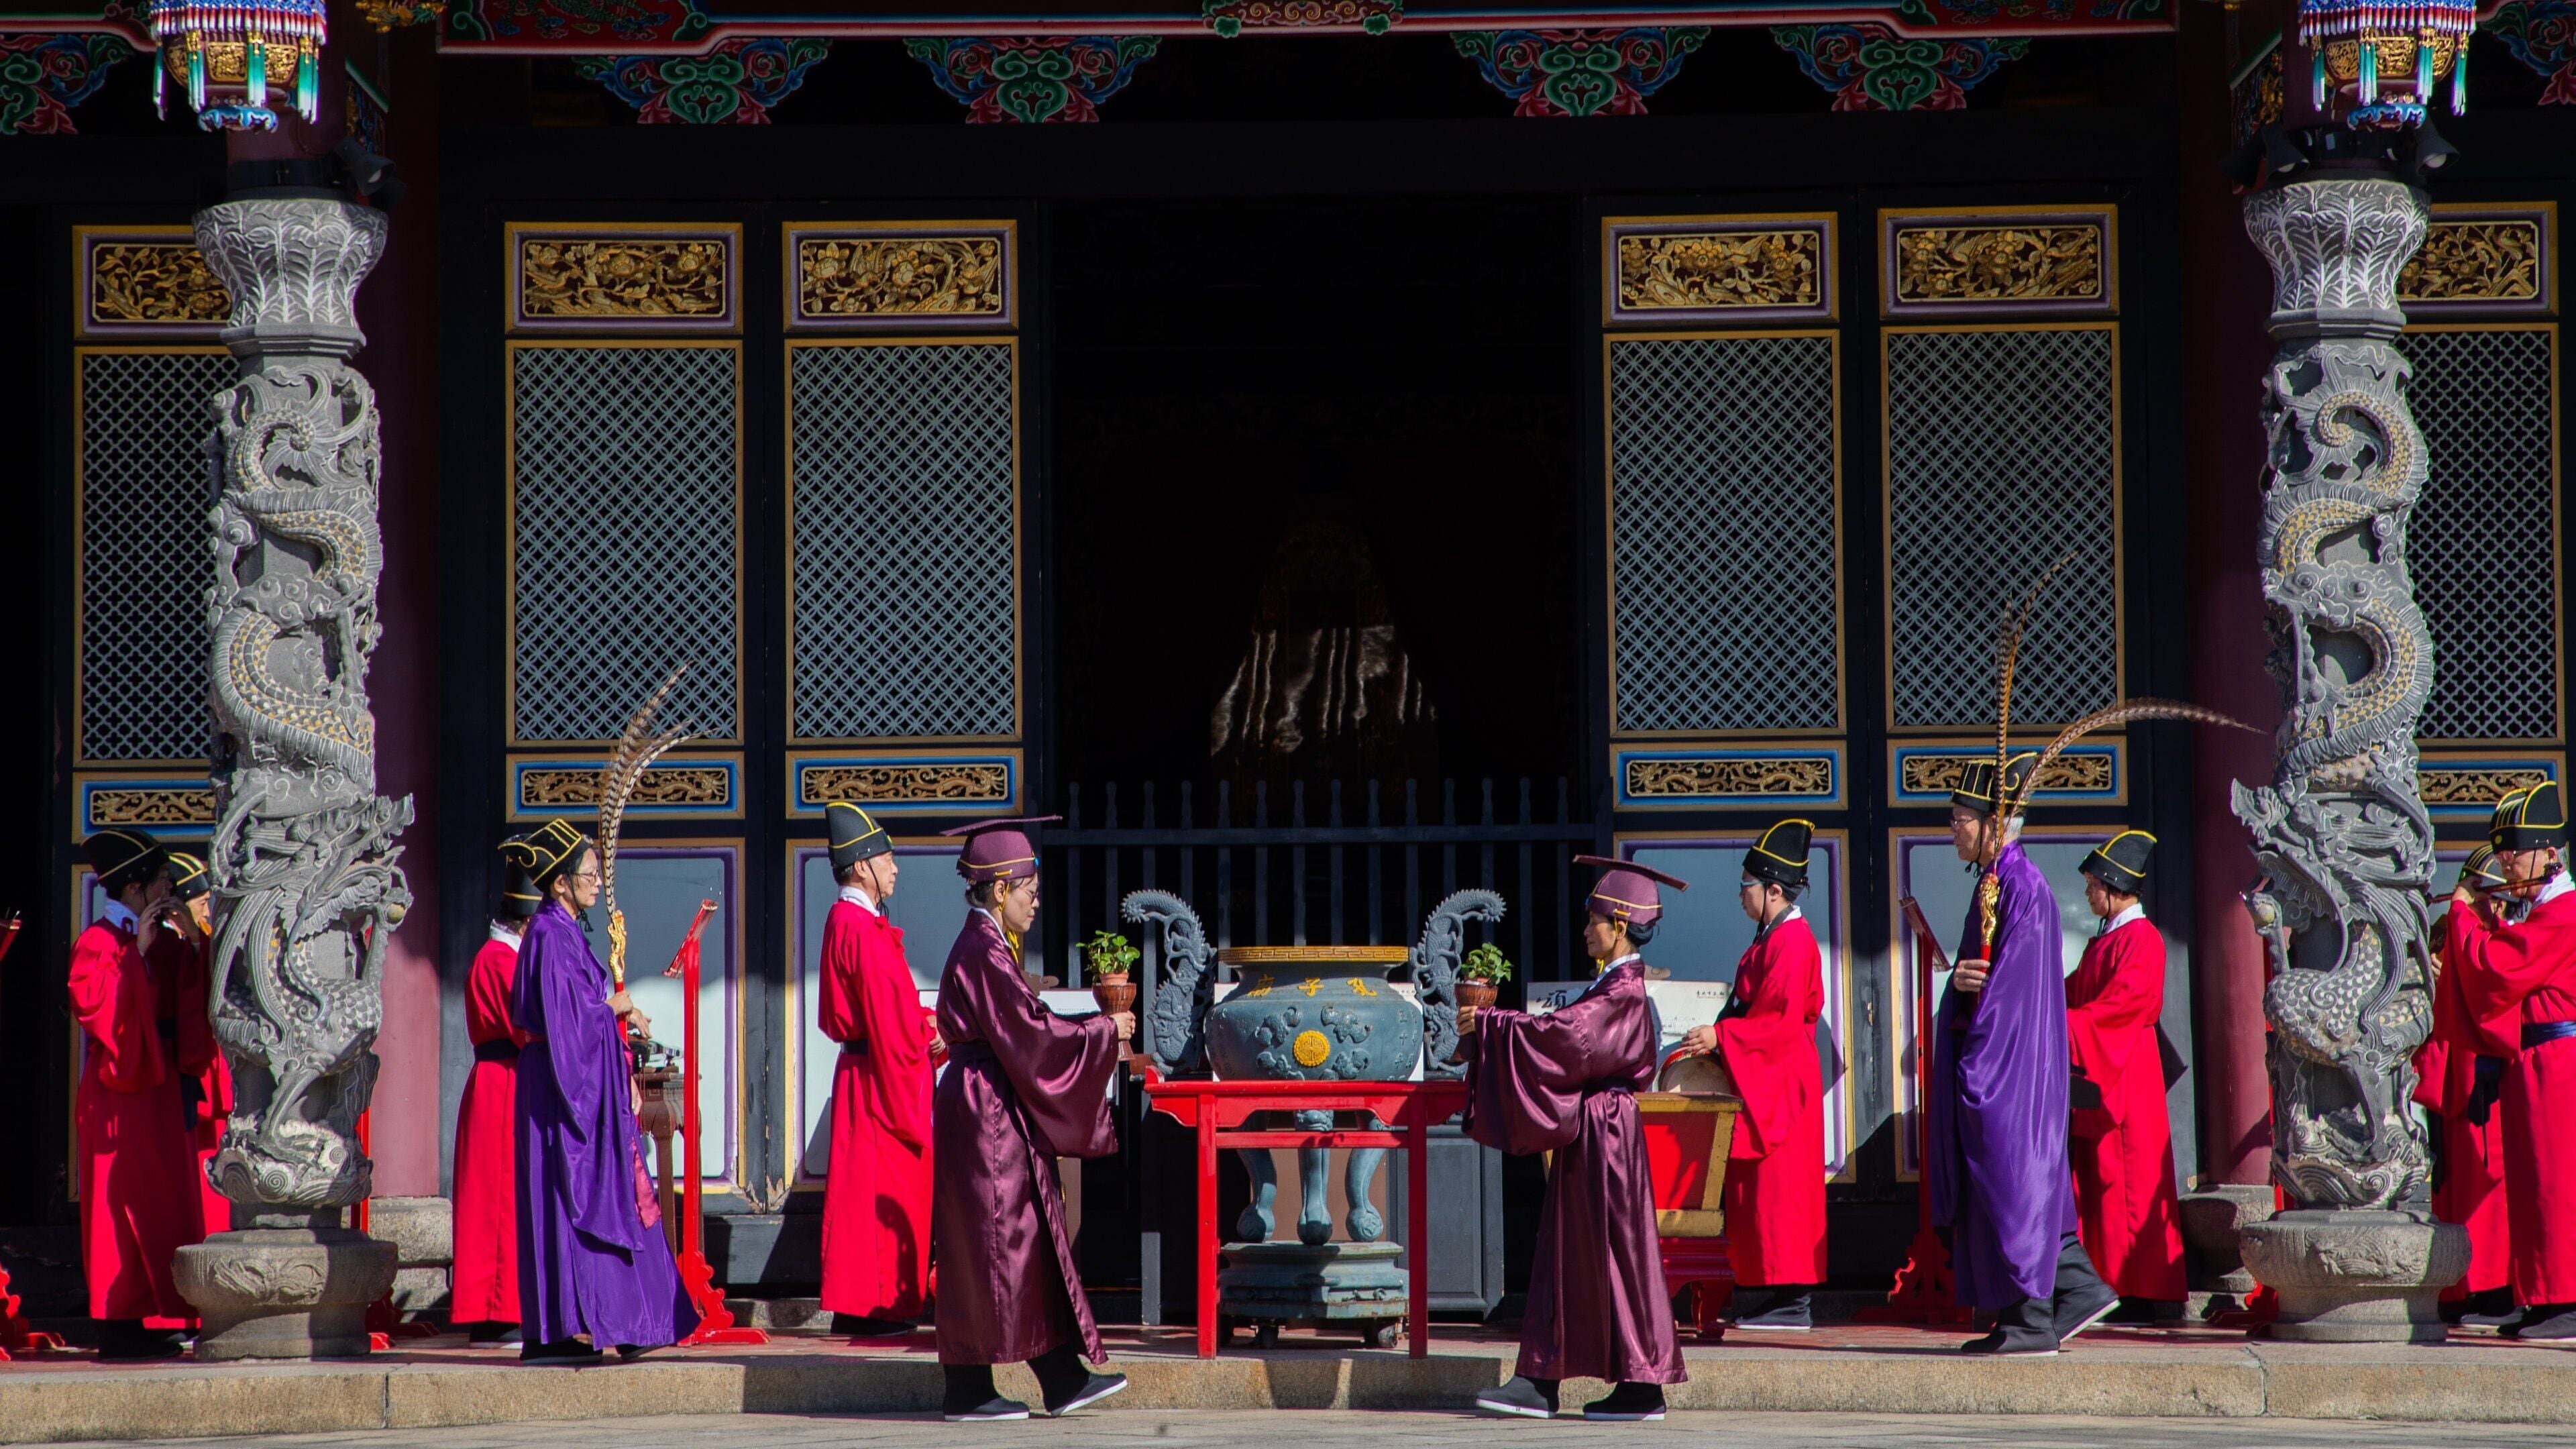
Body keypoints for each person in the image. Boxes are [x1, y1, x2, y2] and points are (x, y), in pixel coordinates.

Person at [1466, 854, 1686, 1422]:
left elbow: (1569, 1039)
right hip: (1598, 1130)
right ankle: (1558, 1380)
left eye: (1593, 920)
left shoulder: (1622, 993)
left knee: (1611, 1253)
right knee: (1583, 1252)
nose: (1585, 929)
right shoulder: (1614, 985)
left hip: (1605, 1136)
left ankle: (1614, 1383)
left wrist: (1492, 1024)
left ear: (1618, 927)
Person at [930, 816, 1132, 1421]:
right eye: (1029, 890)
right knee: (996, 1244)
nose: (1036, 901)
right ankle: (968, 1390)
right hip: (984, 1113)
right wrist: (1102, 1030)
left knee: (1021, 1240)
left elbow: (1021, 1020)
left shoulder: (989, 945)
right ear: (998, 889)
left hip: (990, 1104)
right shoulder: (982, 949)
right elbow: (1031, 1032)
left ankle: (1062, 1377)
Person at [1930, 753, 2117, 1355]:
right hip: (1996, 1051)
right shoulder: (1994, 883)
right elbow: (1984, 976)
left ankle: (2035, 1317)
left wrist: (1977, 1055)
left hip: (2012, 1064)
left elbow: (2016, 990)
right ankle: (2037, 1308)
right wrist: (1960, 986)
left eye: (1960, 818)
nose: (1952, 829)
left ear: (1993, 823)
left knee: (2015, 1181)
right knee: (2007, 1185)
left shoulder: (2022, 887)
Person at [509, 817, 698, 1363]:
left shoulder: (566, 931)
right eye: (587, 874)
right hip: (561, 1091)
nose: (596, 881)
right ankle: (560, 1328)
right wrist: (610, 1008)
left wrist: (618, 1023)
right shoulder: (547, 934)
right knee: (564, 1203)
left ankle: (619, 1319)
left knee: (602, 1199)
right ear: (560, 883)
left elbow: (580, 1015)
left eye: (596, 871)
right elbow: (563, 1024)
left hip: (583, 1082)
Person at [1676, 820, 1827, 1332]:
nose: (1741, 896)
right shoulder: (1774, 937)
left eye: (1748, 886)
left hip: (1780, 1084)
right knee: (1757, 1195)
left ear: (1775, 891)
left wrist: (1722, 1039)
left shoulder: (1793, 943)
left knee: (1779, 1195)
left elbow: (1779, 1022)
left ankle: (1787, 1300)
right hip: (1764, 1077)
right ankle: (1762, 1295)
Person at [2444, 783, 2576, 1340]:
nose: (2507, 865)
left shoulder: (2563, 912)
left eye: (2514, 853)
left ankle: (2565, 1298)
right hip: (2534, 1058)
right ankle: (2541, 1295)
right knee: (2531, 1180)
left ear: (2549, 851)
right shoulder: (2541, 912)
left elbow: (2501, 970)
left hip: (2558, 1060)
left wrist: (2464, 921)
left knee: (2555, 1179)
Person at [69, 828, 207, 1360]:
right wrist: (138, 954)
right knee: (116, 1205)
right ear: (135, 889)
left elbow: (192, 1003)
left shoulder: (168, 941)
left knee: (163, 1198)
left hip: (162, 1085)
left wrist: (194, 943)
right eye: (162, 880)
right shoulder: (97, 944)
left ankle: (166, 1310)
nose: (170, 888)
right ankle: (120, 1321)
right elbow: (102, 1016)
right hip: (118, 1092)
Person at [818, 802, 938, 1338]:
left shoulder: (843, 920)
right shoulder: (863, 929)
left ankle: (858, 1302)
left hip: (861, 1073)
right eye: (888, 858)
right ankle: (881, 1305)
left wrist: (920, 1022)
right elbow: (891, 1021)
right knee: (883, 1193)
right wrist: (930, 1037)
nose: (895, 868)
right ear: (863, 865)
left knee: (857, 1196)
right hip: (882, 1080)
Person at [2062, 829, 2186, 1318]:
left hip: (2127, 1071)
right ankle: (2107, 1283)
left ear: (2115, 887)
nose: (2088, 892)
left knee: (2128, 1183)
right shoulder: (2109, 938)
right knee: (2104, 1181)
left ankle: (2140, 1288)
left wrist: (2062, 1023)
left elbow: (2120, 1008)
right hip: (2105, 1064)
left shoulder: (2142, 939)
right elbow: (2073, 989)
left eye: (2094, 884)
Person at [2415, 846, 2516, 1325]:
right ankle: (2463, 1287)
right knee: (2458, 1180)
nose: (2493, 907)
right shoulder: (2447, 934)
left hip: (2489, 1073)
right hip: (2454, 1075)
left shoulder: (2504, 939)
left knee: (2493, 1186)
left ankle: (2494, 1287)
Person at [452, 836, 542, 1345]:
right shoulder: (500, 961)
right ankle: (495, 1309)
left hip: (505, 1081)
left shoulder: (502, 956)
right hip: (502, 1084)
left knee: (504, 1196)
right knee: (501, 1200)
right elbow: (525, 1026)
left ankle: (502, 1306)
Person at [155, 852, 233, 1244]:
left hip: (216, 1066)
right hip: (185, 1070)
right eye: (201, 903)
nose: (207, 910)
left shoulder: (202, 939)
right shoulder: (169, 945)